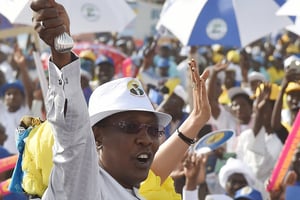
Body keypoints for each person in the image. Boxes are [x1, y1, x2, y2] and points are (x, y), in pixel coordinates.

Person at [30, 1, 211, 200]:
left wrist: (196, 120)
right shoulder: (83, 187)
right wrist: (61, 54)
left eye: (153, 130)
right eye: (130, 126)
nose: (147, 139)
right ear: (96, 136)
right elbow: (72, 140)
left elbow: (156, 172)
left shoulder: (131, 191)